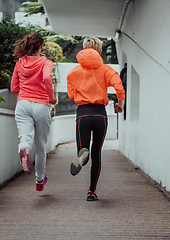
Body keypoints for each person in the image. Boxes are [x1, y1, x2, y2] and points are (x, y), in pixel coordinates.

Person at [67, 37, 125, 201]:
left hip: (83, 114)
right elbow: (119, 87)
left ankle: (82, 157)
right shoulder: (106, 70)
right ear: (99, 51)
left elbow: (71, 94)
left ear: (84, 49)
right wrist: (119, 104)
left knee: (82, 149)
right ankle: (91, 192)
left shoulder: (74, 72)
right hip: (100, 115)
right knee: (97, 154)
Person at [11, 32, 57, 191]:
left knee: (25, 137)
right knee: (41, 145)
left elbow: (13, 87)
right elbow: (46, 78)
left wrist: (23, 91)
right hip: (41, 105)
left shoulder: (20, 62)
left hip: (22, 104)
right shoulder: (46, 63)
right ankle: (39, 180)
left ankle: (23, 149)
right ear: (41, 46)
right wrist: (51, 97)